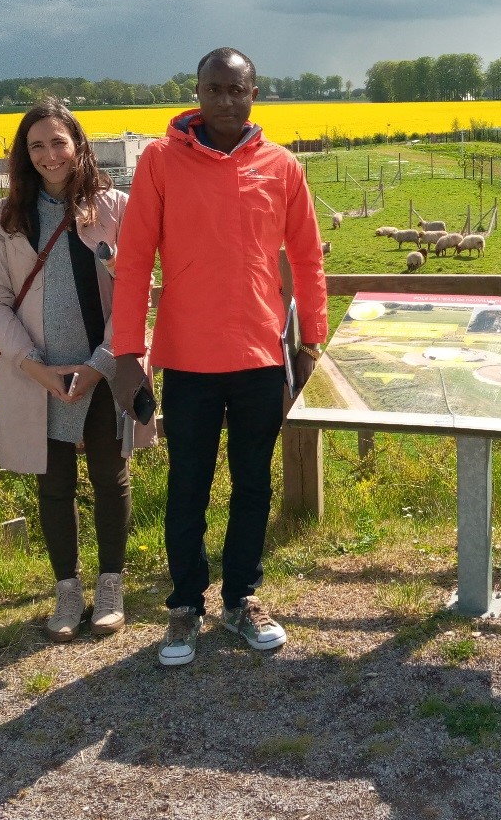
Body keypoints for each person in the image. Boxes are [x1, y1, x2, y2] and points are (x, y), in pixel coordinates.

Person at [110, 47, 328, 664]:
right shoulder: (158, 160)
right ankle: (184, 606)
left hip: (260, 354)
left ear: (254, 93)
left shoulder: (282, 167)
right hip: (187, 358)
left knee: (253, 483)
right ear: (197, 92)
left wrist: (309, 340)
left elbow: (308, 261)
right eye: (215, 88)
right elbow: (132, 265)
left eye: (238, 90)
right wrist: (130, 354)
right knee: (188, 484)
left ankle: (241, 599)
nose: (226, 101)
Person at [0, 98, 157, 643]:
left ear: (78, 144)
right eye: (37, 145)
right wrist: (33, 366)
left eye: (59, 142)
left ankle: (110, 586)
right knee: (53, 486)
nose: (50, 154)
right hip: (39, 378)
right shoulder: (7, 219)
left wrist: (102, 364)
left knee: (110, 477)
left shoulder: (116, 207)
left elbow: (135, 291)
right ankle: (66, 591)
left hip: (107, 368)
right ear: (23, 155)